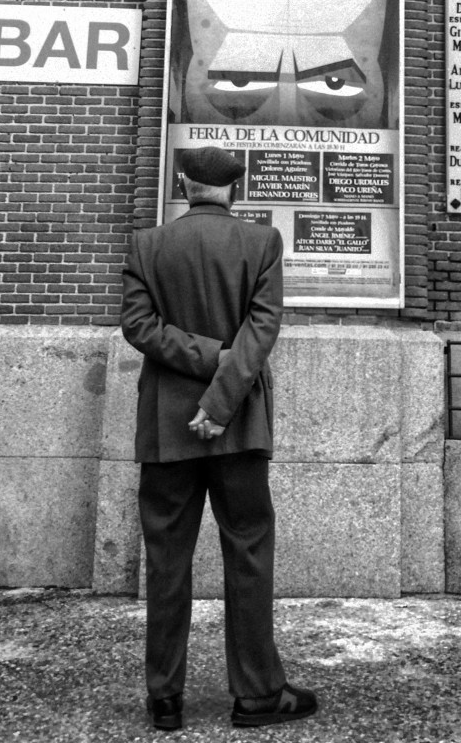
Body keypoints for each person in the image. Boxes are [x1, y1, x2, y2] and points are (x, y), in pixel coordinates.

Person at [120, 146, 317, 732]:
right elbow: (262, 332)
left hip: (166, 431)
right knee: (249, 555)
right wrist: (221, 397)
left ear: (182, 182)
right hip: (238, 428)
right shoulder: (262, 243)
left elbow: (138, 326)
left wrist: (201, 383)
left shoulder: (147, 245)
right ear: (238, 186)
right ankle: (256, 695)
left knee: (166, 561)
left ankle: (164, 698)